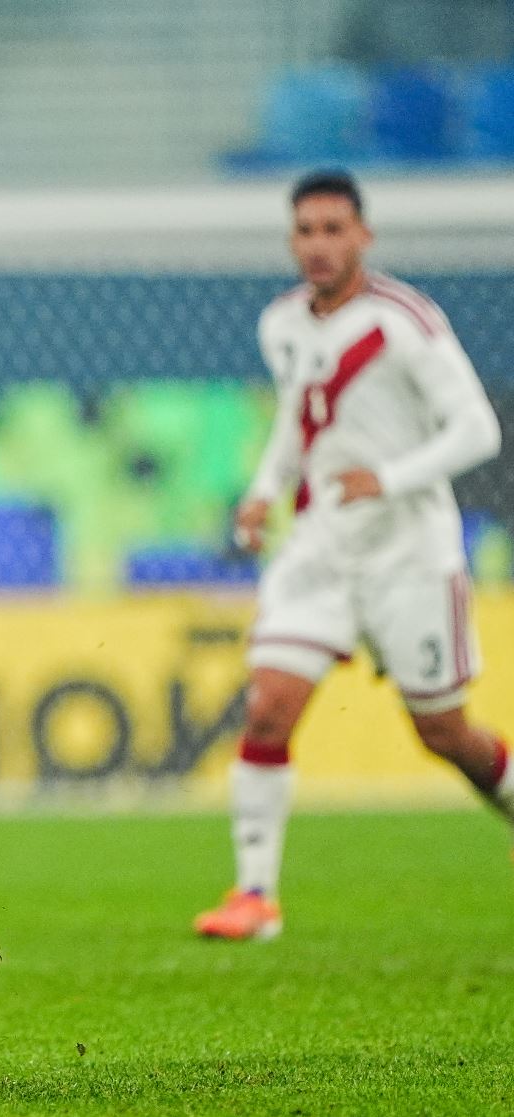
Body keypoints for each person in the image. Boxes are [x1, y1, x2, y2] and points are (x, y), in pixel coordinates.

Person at [195, 171, 511, 941]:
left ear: (364, 236)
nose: (320, 245)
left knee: (443, 733)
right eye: (306, 230)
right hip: (322, 547)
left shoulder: (405, 321)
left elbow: (478, 430)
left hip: (410, 549)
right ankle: (255, 897)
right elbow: (298, 426)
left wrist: (390, 478)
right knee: (269, 704)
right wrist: (266, 488)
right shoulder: (282, 324)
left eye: (335, 229)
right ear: (292, 239)